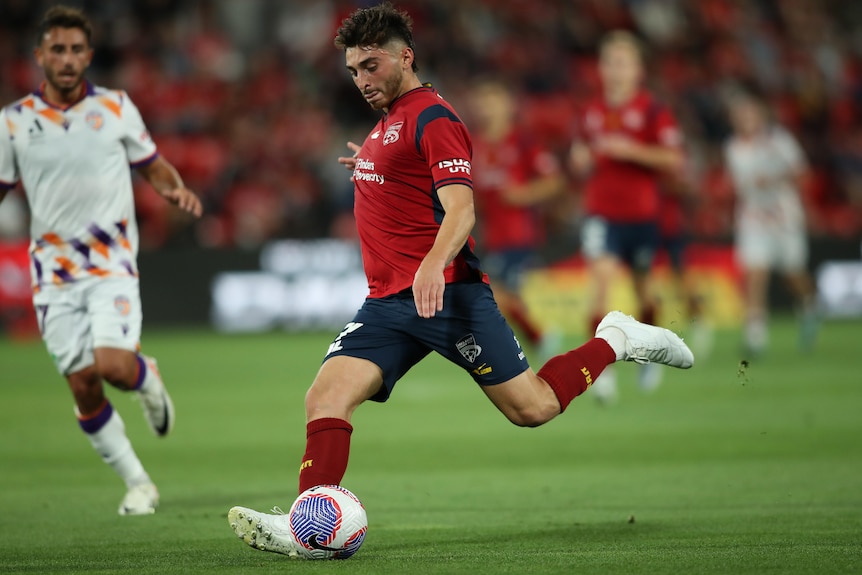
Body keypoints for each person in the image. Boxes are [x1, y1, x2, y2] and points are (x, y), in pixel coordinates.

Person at [227, 3, 693, 557]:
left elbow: (462, 211)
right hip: (387, 304)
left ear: (406, 56)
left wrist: (431, 263)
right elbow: (406, 177)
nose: (361, 80)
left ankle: (616, 338)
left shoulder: (434, 117)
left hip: (450, 296)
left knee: (533, 409)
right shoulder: (388, 124)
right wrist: (372, 167)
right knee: (325, 397)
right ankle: (310, 527)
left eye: (371, 66)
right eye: (353, 70)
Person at [0, 5, 202, 515]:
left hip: (110, 262)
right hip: (53, 273)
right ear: (40, 55)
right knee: (83, 385)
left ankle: (142, 376)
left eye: (76, 50)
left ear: (88, 55)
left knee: (112, 366)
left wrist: (174, 191)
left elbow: (152, 166)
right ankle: (139, 483)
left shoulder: (115, 107)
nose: (67, 59)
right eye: (57, 49)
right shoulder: (13, 122)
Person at [569, 30, 684, 402]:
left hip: (642, 215)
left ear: (638, 69)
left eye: (623, 62)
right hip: (602, 213)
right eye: (609, 62)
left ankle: (649, 354)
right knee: (600, 286)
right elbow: (582, 154)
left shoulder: (653, 110)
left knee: (643, 290)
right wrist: (580, 159)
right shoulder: (591, 111)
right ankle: (599, 371)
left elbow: (674, 159)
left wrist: (631, 149)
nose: (615, 69)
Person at [467, 79, 565, 357]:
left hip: (519, 234)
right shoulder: (474, 144)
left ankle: (537, 337)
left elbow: (554, 181)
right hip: (488, 234)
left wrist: (523, 194)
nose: (487, 108)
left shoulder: (523, 142)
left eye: (493, 101)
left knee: (492, 291)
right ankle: (533, 340)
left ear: (508, 106)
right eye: (483, 102)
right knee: (500, 295)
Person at [724, 92, 817, 356]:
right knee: (755, 274)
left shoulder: (780, 141)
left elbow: (803, 173)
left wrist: (775, 180)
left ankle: (809, 305)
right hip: (753, 219)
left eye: (749, 115)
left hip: (784, 218)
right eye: (740, 116)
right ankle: (756, 338)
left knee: (792, 274)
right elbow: (742, 185)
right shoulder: (733, 147)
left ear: (760, 117)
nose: (745, 120)